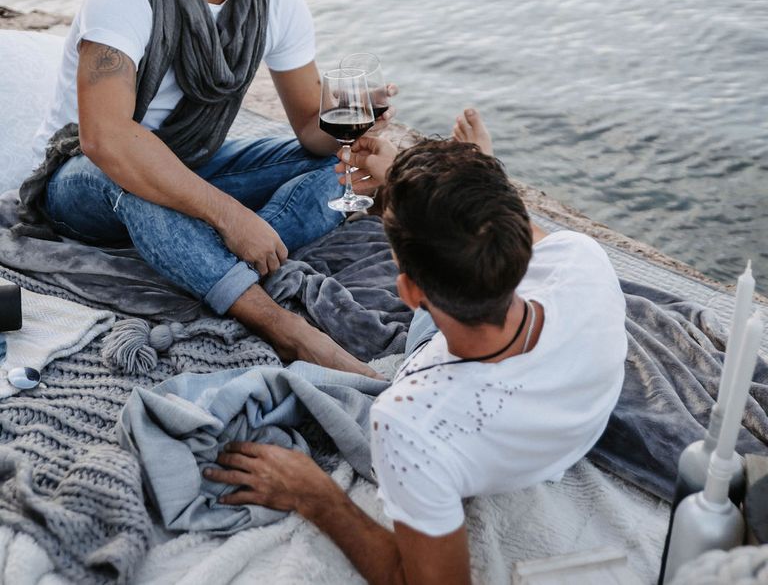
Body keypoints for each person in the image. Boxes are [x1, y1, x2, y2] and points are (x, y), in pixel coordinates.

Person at [204, 109, 628, 584]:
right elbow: (509, 234)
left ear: (408, 295)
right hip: (543, 377)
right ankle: (458, 184)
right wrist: (446, 181)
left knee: (457, 255)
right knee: (473, 244)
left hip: (452, 367)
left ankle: (448, 191)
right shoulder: (583, 260)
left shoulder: (410, 423)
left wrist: (314, 495)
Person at [21, 0, 395, 377]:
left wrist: (352, 121)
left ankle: (194, 254)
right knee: (137, 185)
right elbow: (105, 139)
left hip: (190, 166)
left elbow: (310, 131)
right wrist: (230, 217)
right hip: (84, 180)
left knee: (341, 166)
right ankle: (283, 328)